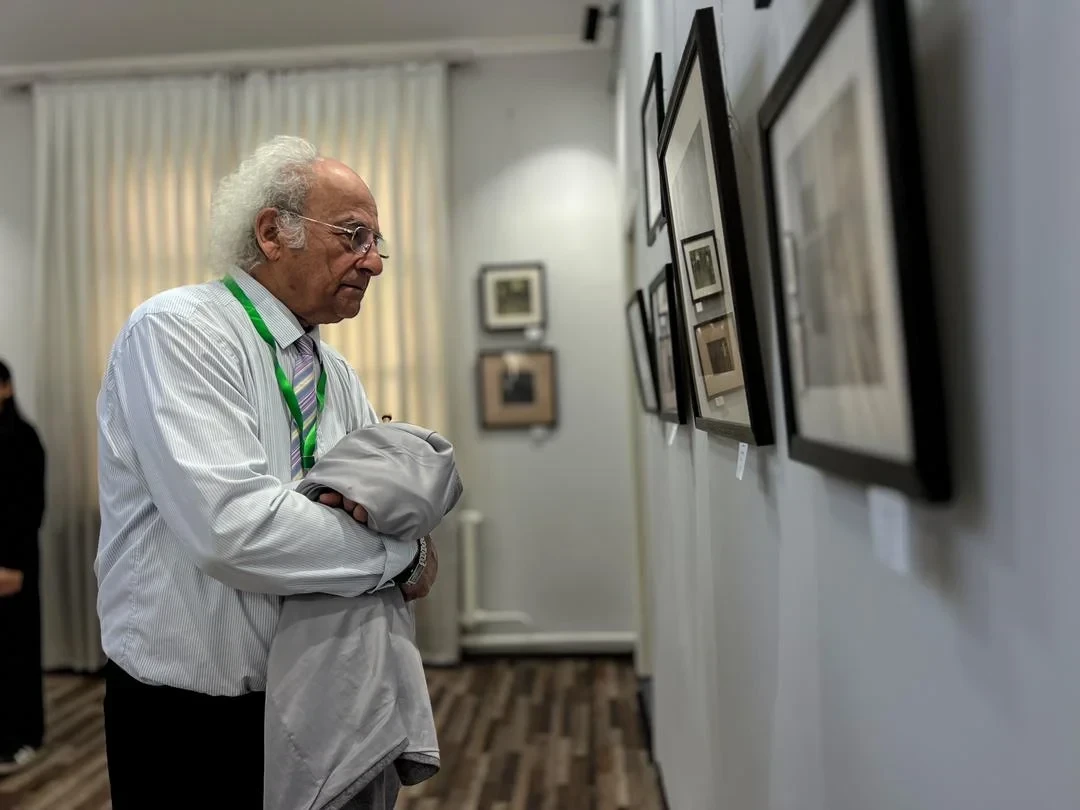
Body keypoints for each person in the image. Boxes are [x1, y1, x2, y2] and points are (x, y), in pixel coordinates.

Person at [94, 135, 438, 809]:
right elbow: (235, 530)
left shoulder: (336, 371)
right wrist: (402, 559)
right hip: (191, 722)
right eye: (354, 235)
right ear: (272, 233)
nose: (374, 261)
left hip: (318, 700)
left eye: (377, 242)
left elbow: (392, 502)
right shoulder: (177, 331)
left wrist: (400, 534)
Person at [0, 360, 46, 774]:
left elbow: (29, 509)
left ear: (6, 389)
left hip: (14, 560)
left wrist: (11, 565)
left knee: (17, 647)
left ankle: (23, 736)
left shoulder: (23, 438)